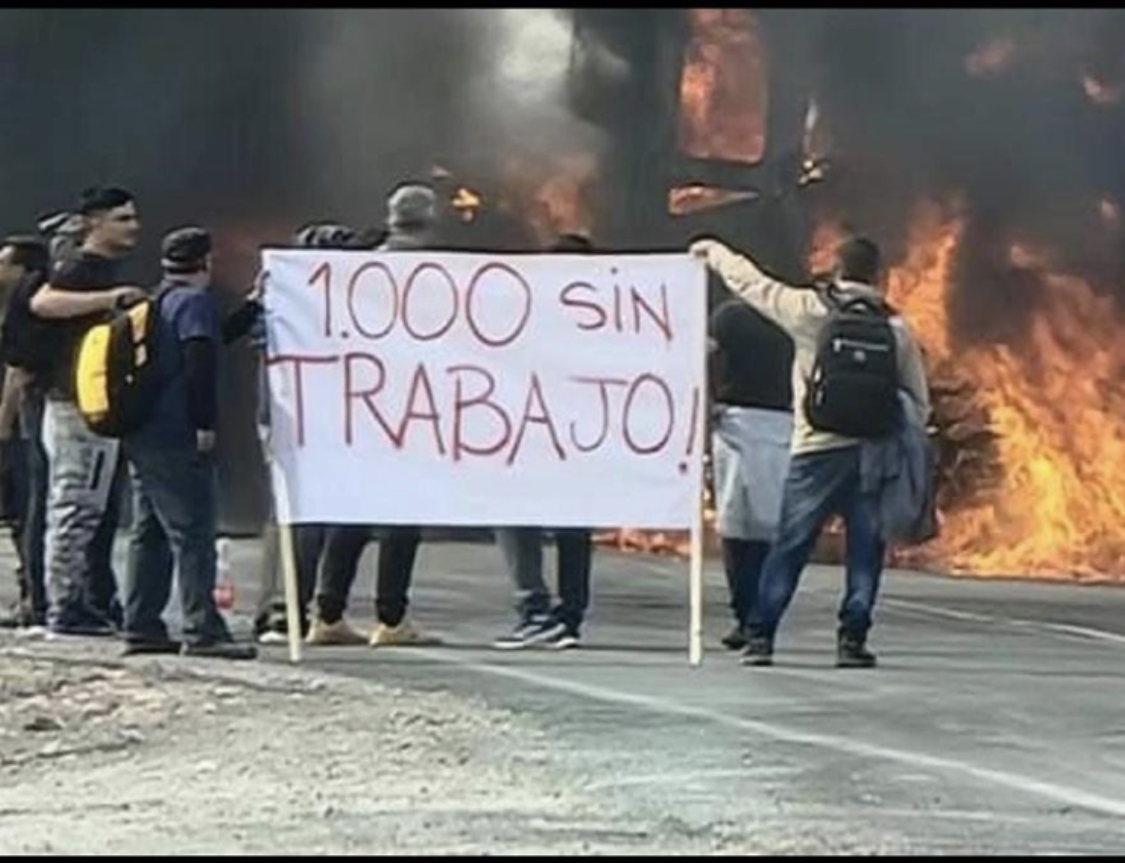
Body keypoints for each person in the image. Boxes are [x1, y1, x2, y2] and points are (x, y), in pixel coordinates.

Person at [692, 235, 929, 668]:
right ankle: (851, 641)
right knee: (865, 550)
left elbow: (754, 286)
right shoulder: (897, 331)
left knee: (790, 545)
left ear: (837, 271)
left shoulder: (809, 312)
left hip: (814, 450)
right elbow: (917, 399)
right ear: (879, 277)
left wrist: (715, 254)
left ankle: (761, 635)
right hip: (871, 455)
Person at [307, 184, 443, 648]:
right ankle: (392, 618)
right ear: (430, 219)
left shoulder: (358, 269)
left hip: (360, 402)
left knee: (353, 511)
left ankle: (327, 613)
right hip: (410, 405)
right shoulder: (433, 273)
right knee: (402, 516)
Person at [119, 227, 256, 659]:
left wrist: (251, 308)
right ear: (207, 262)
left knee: (151, 532)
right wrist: (204, 422)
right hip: (176, 433)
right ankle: (203, 630)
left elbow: (211, 342)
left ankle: (141, 624)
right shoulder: (196, 302)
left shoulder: (158, 299)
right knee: (193, 531)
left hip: (144, 432)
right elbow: (199, 360)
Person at [30, 186, 146, 637]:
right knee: (74, 506)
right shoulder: (82, 267)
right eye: (122, 218)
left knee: (89, 508)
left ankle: (80, 600)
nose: (133, 226)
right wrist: (108, 298)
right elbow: (44, 302)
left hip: (95, 404)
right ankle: (64, 606)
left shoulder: (102, 268)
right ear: (94, 223)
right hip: (76, 404)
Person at [492, 233, 598, 651]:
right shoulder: (605, 316)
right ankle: (567, 615)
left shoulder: (525, 310)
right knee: (571, 523)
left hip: (527, 429)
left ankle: (536, 609)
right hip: (576, 430)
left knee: (517, 516)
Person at [707, 289, 794, 652]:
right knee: (768, 528)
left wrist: (706, 401)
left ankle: (747, 616)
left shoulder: (728, 317)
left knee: (734, 526)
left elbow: (701, 356)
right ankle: (760, 618)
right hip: (781, 426)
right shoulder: (788, 316)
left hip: (736, 423)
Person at [0, 236, 50, 627]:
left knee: (25, 510)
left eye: (5, 264)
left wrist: (3, 425)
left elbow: (18, 375)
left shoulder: (25, 313)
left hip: (19, 429)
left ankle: (34, 593)